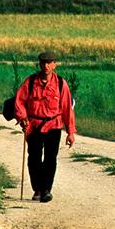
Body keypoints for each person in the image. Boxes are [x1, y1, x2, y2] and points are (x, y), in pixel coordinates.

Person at [13, 51, 76, 203]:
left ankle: (46, 190)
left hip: (54, 125)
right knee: (34, 158)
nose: (46, 66)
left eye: (50, 63)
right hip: (33, 126)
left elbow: (67, 109)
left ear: (55, 64)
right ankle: (37, 189)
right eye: (43, 63)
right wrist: (22, 117)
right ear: (39, 64)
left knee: (50, 159)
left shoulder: (61, 84)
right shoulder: (30, 82)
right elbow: (19, 102)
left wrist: (70, 132)